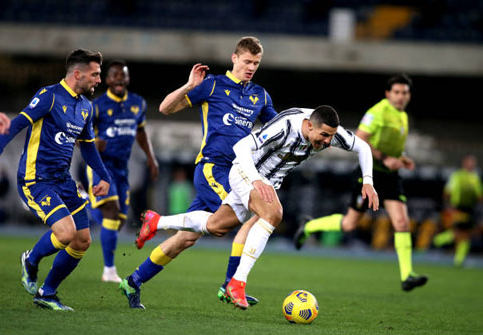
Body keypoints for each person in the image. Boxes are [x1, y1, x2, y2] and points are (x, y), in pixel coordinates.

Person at [124, 106, 379, 309]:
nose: (327, 142)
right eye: (323, 136)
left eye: (331, 137)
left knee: (216, 226)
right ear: (309, 125)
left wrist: (368, 182)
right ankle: (237, 283)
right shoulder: (286, 127)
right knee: (273, 214)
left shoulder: (328, 132)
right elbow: (242, 147)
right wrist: (256, 179)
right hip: (246, 173)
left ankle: (158, 222)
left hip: (266, 182)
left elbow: (363, 147)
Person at [119, 36, 277, 309]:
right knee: (238, 217)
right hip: (213, 167)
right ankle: (230, 284)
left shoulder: (260, 95)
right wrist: (190, 86)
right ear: (234, 58)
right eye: (248, 61)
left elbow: (277, 128)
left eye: (256, 63)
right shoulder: (213, 85)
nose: (251, 67)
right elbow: (165, 108)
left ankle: (133, 280)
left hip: (238, 170)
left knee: (186, 238)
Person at [0, 49, 110, 310]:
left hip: (63, 181)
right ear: (77, 74)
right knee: (66, 233)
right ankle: (31, 260)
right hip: (36, 180)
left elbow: (88, 147)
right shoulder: (49, 96)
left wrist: (104, 176)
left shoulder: (85, 107)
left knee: (82, 240)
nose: (99, 80)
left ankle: (47, 293)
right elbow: (18, 122)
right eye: (95, 74)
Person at [294, 74, 428, 292]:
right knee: (349, 224)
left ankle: (407, 275)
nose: (401, 96)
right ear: (388, 94)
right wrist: (385, 158)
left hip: (391, 177)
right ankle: (309, 226)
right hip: (370, 174)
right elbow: (362, 138)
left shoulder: (402, 115)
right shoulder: (378, 112)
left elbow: (390, 143)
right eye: (396, 92)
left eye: (404, 92)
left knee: (402, 222)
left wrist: (400, 156)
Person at [87, 60, 159, 283]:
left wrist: (151, 157)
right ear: (107, 80)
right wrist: (93, 142)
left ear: (127, 79)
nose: (119, 79)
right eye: (115, 75)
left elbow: (140, 132)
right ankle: (109, 271)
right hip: (101, 166)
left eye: (123, 75)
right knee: (111, 212)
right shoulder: (97, 106)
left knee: (117, 220)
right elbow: (82, 135)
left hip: (121, 169)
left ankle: (86, 204)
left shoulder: (138, 103)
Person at [433, 155, 482, 266]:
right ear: (464, 163)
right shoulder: (457, 176)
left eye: (473, 162)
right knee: (462, 234)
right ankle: (439, 242)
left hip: (470, 209)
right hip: (458, 207)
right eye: (470, 162)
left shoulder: (475, 177)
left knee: (464, 234)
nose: (472, 164)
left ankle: (457, 258)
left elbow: (479, 195)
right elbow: (447, 192)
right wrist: (448, 206)